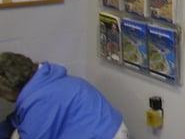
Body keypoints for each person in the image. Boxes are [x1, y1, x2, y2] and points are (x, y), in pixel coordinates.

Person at [0, 52, 128, 139]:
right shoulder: (46, 79)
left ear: (11, 88)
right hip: (108, 128)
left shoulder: (41, 101)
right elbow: (17, 119)